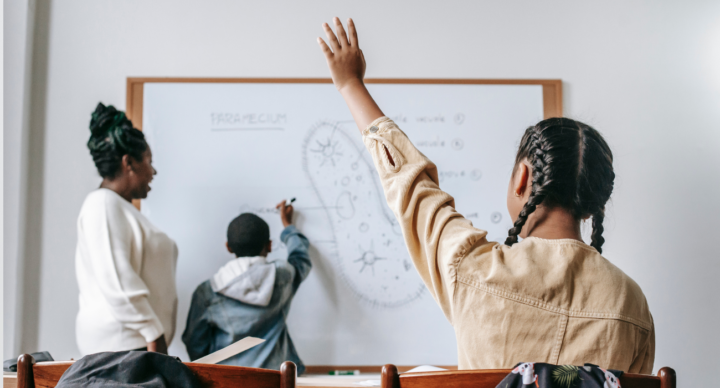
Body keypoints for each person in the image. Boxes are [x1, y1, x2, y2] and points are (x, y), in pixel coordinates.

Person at [316, 18, 654, 373]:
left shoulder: (475, 270)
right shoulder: (631, 304)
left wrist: (350, 83)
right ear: (594, 206)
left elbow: (412, 185)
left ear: (522, 177)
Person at [75, 103, 177, 355]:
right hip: (125, 354)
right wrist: (154, 334)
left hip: (135, 350)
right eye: (148, 161)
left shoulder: (118, 208)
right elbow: (117, 281)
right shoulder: (103, 205)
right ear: (128, 162)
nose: (153, 171)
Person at [182, 200, 311, 375]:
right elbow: (300, 258)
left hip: (227, 381)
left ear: (228, 247)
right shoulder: (283, 276)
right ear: (269, 245)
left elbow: (195, 343)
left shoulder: (208, 291)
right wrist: (288, 226)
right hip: (277, 381)